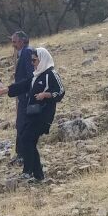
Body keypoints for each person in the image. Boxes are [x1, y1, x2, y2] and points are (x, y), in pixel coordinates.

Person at [17, 47, 65, 183]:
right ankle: (38, 175)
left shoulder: (51, 74)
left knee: (26, 139)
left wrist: (46, 95)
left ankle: (28, 171)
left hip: (43, 115)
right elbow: (22, 86)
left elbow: (60, 91)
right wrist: (6, 90)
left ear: (42, 59)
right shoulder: (36, 75)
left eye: (34, 60)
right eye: (31, 61)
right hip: (32, 115)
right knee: (28, 140)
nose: (32, 63)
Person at [0, 31, 32, 165]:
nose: (13, 45)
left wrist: (15, 90)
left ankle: (23, 155)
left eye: (14, 42)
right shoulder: (23, 53)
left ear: (22, 41)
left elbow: (30, 77)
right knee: (20, 125)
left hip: (25, 96)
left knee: (22, 125)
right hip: (22, 95)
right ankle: (21, 154)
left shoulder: (27, 53)